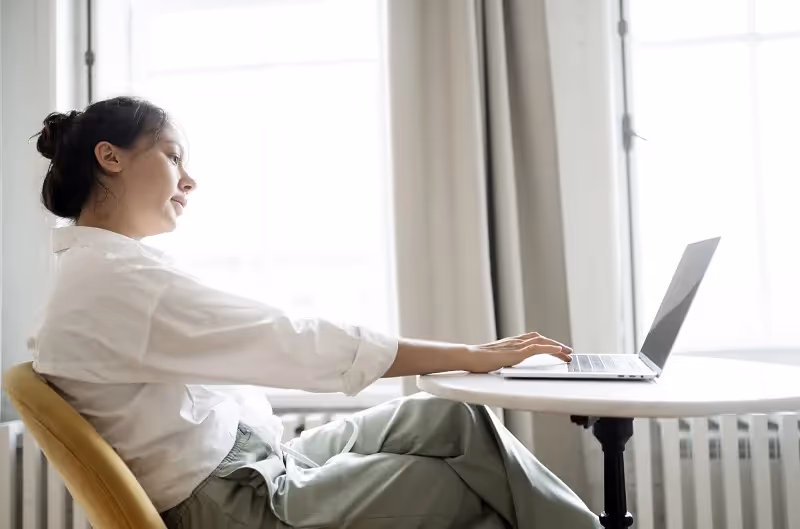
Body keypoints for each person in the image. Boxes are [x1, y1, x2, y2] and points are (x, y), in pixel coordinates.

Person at [30, 96, 600, 529]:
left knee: (456, 419)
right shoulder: (117, 283)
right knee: (463, 485)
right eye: (173, 156)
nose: (190, 179)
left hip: (257, 465)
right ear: (110, 157)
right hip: (239, 502)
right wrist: (472, 355)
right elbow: (291, 342)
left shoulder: (110, 272)